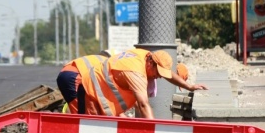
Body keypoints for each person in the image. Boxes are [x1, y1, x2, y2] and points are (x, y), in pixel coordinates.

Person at [56, 49, 207, 119]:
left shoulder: (145, 55)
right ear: (150, 63)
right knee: (87, 131)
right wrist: (156, 132)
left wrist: (189, 86)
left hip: (92, 89)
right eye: (158, 73)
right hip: (86, 88)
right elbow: (142, 105)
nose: (158, 77)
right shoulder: (136, 72)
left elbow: (169, 74)